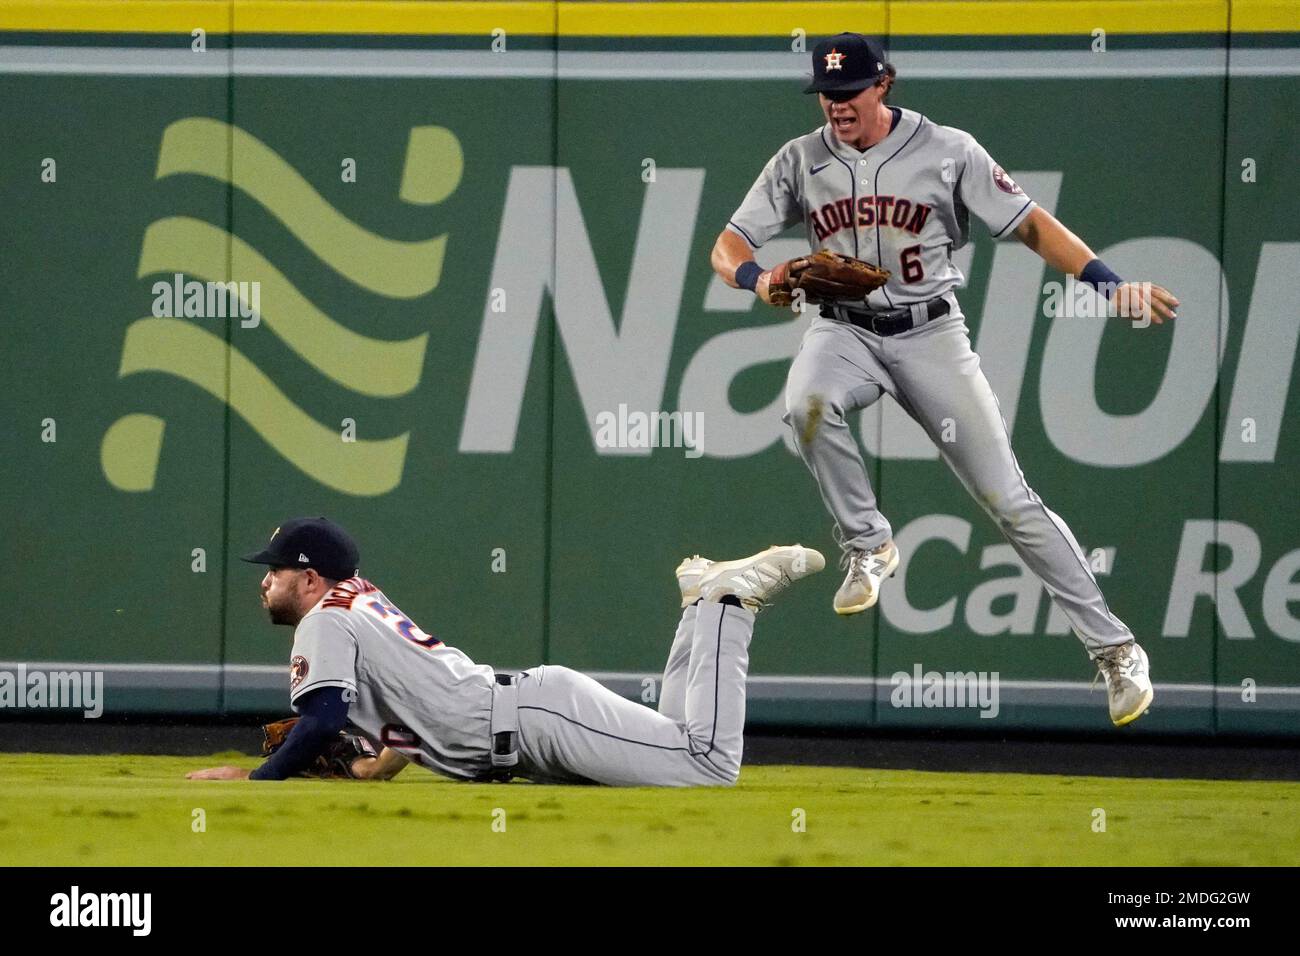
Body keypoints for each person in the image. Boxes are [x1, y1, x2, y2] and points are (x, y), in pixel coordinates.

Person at [709, 32, 1173, 727]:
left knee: (1010, 501)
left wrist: (1109, 284)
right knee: (804, 405)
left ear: (884, 84)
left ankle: (1117, 650)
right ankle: (868, 544)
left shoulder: (948, 150)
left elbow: (1031, 226)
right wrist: (758, 276)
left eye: (849, 92)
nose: (836, 106)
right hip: (844, 329)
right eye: (827, 95)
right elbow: (729, 245)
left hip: (931, 334)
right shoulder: (800, 160)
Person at [187, 517, 824, 786]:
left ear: (310, 578)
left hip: (533, 721)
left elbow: (324, 717)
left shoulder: (323, 622)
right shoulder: (354, 600)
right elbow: (412, 700)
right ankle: (703, 605)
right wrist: (377, 766)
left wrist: (259, 779)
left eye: (275, 570)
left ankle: (724, 607)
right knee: (683, 741)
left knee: (708, 764)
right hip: (526, 717)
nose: (264, 580)